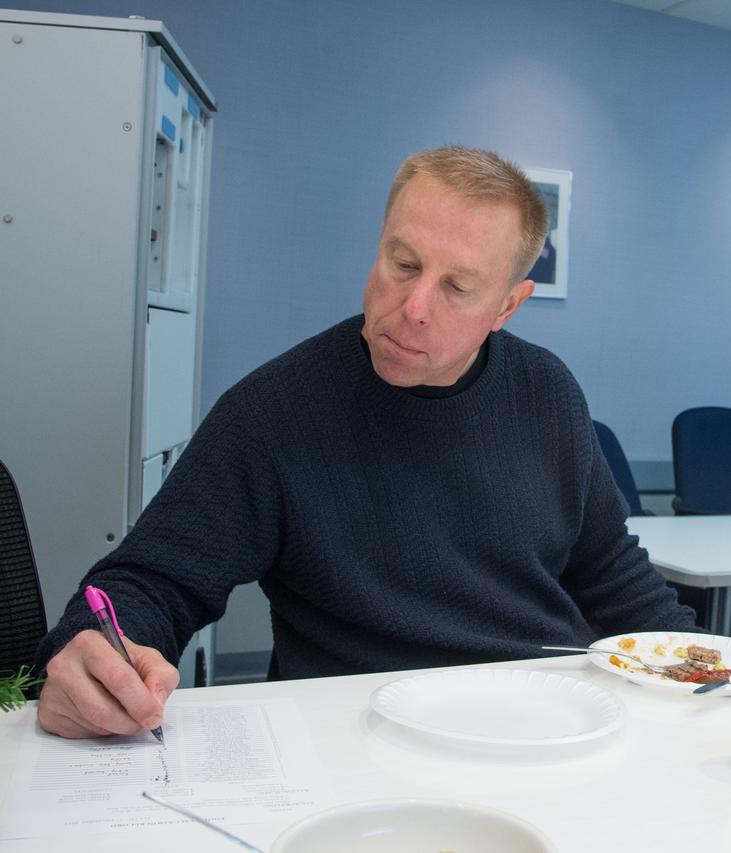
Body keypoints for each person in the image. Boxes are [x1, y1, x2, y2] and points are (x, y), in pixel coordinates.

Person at [33, 145, 695, 739]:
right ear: (379, 241)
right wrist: (95, 649)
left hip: (549, 719)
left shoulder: (547, 392)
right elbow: (155, 580)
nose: (412, 307)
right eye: (402, 263)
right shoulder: (275, 411)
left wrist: (709, 683)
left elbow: (612, 575)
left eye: (457, 288)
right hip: (360, 735)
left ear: (508, 307)